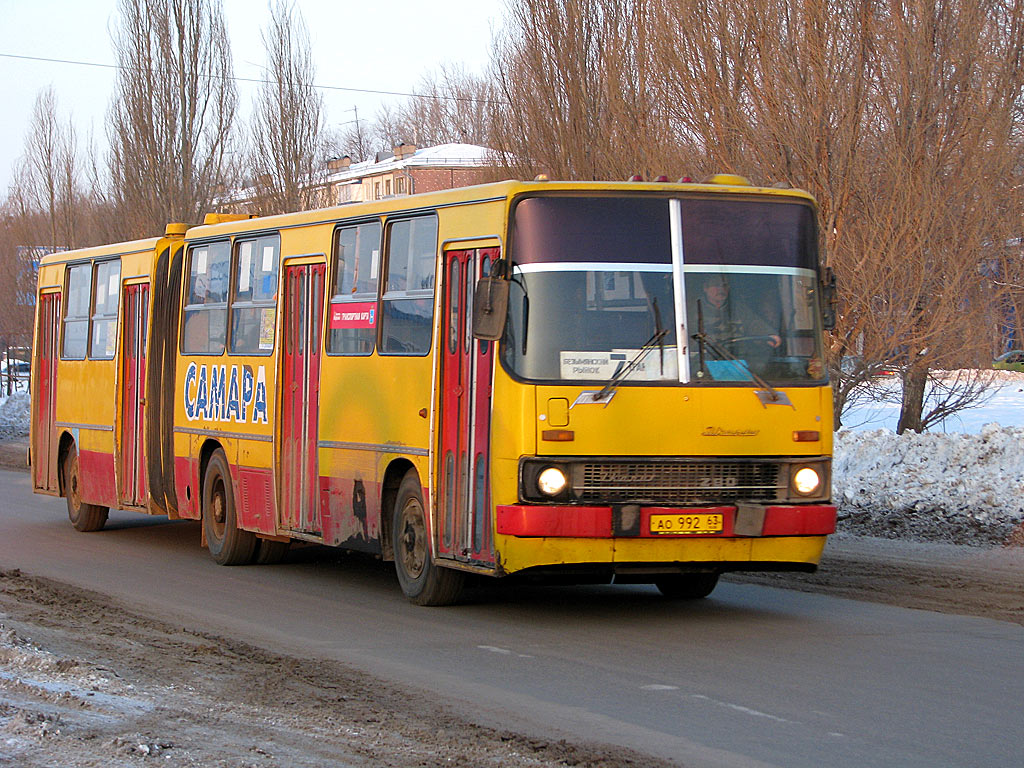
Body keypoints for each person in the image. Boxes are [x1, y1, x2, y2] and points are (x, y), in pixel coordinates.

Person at [690, 275, 781, 350]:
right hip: (704, 361)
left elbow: (755, 325)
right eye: (716, 285)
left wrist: (770, 335)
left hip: (735, 360)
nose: (721, 289)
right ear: (705, 288)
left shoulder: (738, 309)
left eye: (725, 285)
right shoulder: (693, 309)